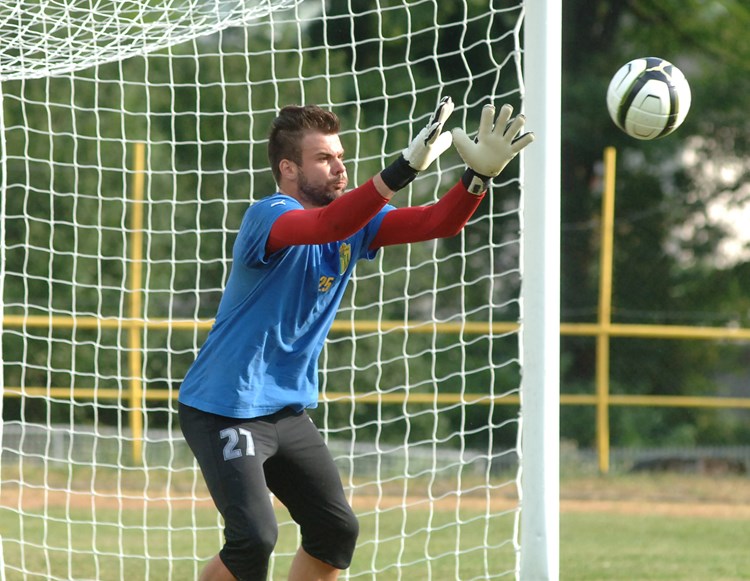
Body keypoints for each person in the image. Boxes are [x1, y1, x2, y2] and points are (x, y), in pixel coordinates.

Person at [177, 96, 534, 581]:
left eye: (341, 157)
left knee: (335, 531)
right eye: (324, 159)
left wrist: (479, 177)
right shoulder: (269, 216)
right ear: (288, 169)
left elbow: (439, 222)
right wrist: (404, 167)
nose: (339, 168)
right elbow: (329, 223)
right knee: (254, 539)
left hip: (284, 409)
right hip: (225, 407)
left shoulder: (355, 222)